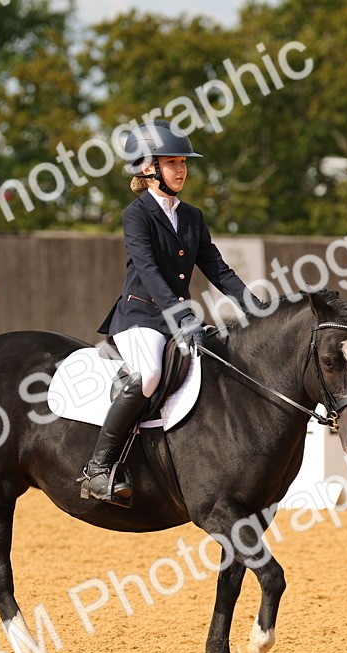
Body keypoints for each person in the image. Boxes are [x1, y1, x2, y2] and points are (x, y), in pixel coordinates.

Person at [80, 119, 260, 508]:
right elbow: (147, 270)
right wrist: (182, 315)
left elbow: (217, 268)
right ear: (148, 168)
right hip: (140, 317)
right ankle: (98, 468)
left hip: (178, 318)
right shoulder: (137, 214)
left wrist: (252, 303)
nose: (182, 169)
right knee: (149, 375)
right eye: (172, 162)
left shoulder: (193, 216)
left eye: (183, 162)